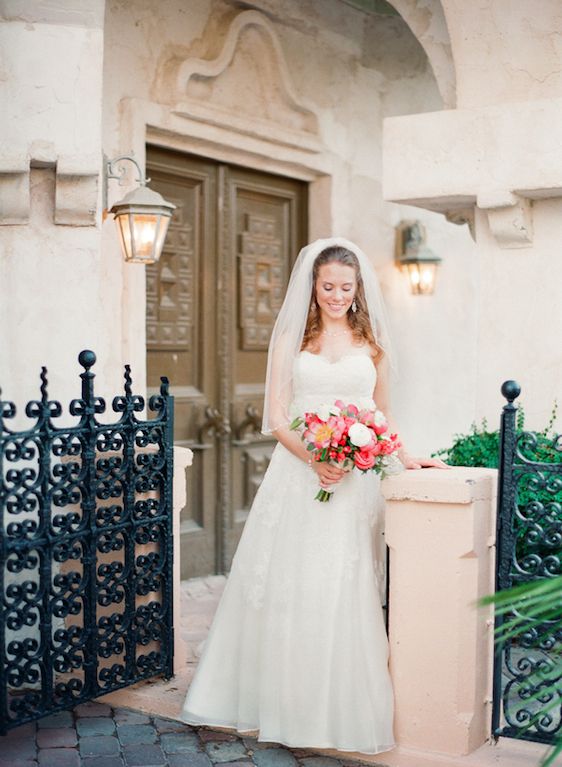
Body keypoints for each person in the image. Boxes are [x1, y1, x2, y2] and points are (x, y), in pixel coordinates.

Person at [180, 237, 448, 754]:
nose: (337, 295)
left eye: (346, 287)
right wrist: (317, 459)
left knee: (341, 586)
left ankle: (329, 708)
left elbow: (383, 415)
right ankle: (277, 702)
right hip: (299, 476)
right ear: (313, 286)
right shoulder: (292, 341)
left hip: (356, 483)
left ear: (358, 289)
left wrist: (405, 457)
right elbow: (277, 418)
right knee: (290, 581)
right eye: (328, 286)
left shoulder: (372, 343)